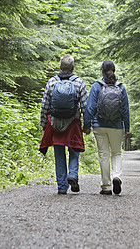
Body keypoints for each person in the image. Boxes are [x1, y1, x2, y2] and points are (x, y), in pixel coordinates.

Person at [39, 54, 88, 195]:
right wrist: (86, 125)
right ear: (72, 67)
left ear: (60, 67)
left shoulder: (52, 82)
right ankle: (72, 175)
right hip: (73, 122)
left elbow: (44, 105)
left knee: (59, 153)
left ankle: (62, 187)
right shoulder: (79, 82)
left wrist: (44, 123)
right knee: (74, 150)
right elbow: (85, 105)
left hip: (55, 123)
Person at [83, 60, 130, 195]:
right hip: (116, 126)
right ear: (114, 71)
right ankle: (117, 176)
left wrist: (86, 125)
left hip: (99, 125)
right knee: (116, 153)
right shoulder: (121, 87)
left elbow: (90, 108)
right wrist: (127, 128)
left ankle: (106, 186)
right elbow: (125, 110)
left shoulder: (97, 87)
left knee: (103, 154)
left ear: (102, 71)